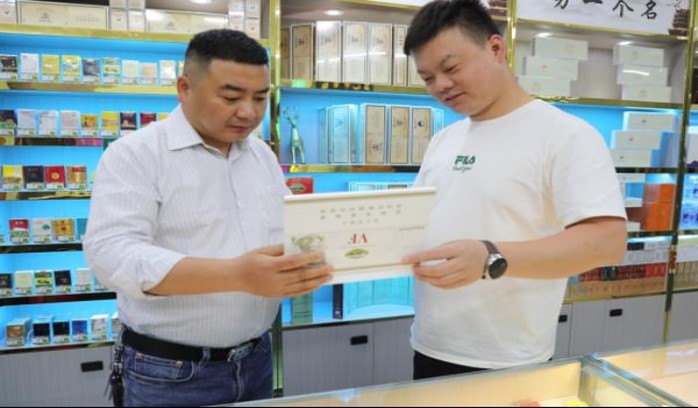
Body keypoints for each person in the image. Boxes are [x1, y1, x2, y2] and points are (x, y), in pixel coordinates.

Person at [83, 29, 333, 407]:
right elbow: (112, 254)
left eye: (260, 97)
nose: (248, 112)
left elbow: (286, 229)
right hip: (169, 371)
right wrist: (236, 274)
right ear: (184, 88)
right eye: (231, 97)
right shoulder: (136, 154)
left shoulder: (261, 155)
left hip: (256, 358)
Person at [400, 0, 627, 380]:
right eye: (427, 78)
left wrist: (491, 257)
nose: (441, 85)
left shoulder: (565, 135)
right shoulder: (444, 139)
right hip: (429, 343)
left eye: (451, 68)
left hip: (508, 359)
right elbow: (417, 223)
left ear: (495, 48)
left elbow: (607, 242)